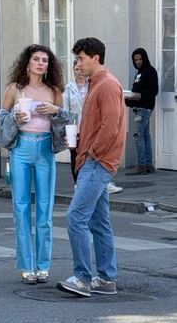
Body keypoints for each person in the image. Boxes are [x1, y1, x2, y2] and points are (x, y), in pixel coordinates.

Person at [57, 37, 126, 297]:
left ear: (95, 57)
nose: (78, 63)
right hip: (91, 160)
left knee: (75, 217)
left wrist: (92, 153)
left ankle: (83, 278)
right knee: (99, 222)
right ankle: (107, 279)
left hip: (97, 162)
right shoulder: (96, 84)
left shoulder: (107, 84)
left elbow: (111, 126)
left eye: (81, 58)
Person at [0, 44, 68, 284]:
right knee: (21, 206)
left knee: (45, 209)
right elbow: (0, 118)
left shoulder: (54, 90)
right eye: (36, 59)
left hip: (45, 148)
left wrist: (56, 110)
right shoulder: (14, 88)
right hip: (21, 148)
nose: (40, 63)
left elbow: (65, 120)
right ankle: (26, 265)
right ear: (27, 63)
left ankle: (43, 266)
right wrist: (15, 118)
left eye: (45, 60)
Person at [64, 61, 123, 194]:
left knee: (93, 158)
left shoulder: (94, 85)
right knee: (75, 155)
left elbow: (109, 123)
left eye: (80, 68)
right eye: (76, 69)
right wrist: (67, 128)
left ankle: (101, 184)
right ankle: (78, 183)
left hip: (91, 127)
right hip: (75, 125)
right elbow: (65, 109)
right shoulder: (69, 88)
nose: (79, 71)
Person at [125, 48, 158, 175]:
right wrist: (128, 99)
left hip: (144, 108)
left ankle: (141, 165)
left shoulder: (149, 71)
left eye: (140, 59)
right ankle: (148, 164)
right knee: (144, 134)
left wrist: (140, 96)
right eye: (136, 60)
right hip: (139, 107)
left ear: (144, 58)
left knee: (139, 135)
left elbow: (153, 91)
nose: (138, 62)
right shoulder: (139, 72)